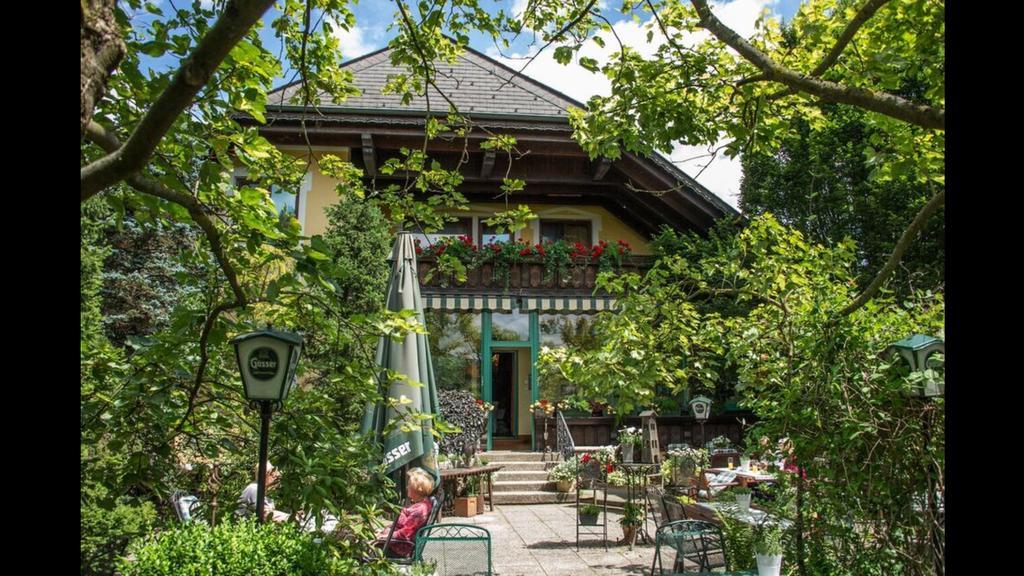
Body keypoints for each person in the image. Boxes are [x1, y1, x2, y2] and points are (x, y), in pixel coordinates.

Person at [373, 467, 436, 558]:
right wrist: (384, 532)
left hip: (397, 548)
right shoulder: (420, 505)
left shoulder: (420, 510)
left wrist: (383, 537)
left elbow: (404, 534)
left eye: (409, 485)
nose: (407, 487)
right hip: (395, 542)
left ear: (417, 489)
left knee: (364, 550)